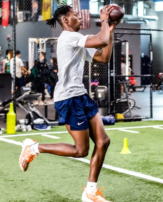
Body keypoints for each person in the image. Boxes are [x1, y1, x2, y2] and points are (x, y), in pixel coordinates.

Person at [19, 3, 117, 202]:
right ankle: (33, 148)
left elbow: (104, 56)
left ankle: (90, 192)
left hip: (81, 96)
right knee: (80, 150)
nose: (80, 19)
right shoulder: (68, 37)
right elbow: (101, 39)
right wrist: (105, 20)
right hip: (68, 99)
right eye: (75, 16)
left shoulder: (78, 41)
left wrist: (111, 29)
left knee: (103, 141)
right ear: (65, 20)